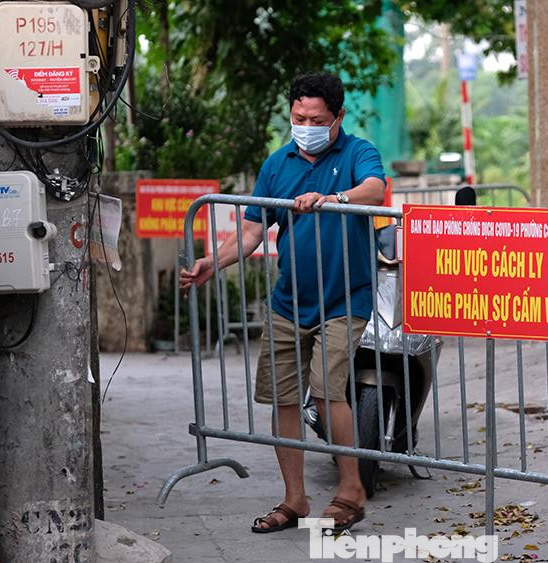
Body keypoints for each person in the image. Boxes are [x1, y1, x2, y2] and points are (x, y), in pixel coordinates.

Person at [180, 72, 386, 534]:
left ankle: (352, 489)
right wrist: (214, 261)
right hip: (289, 302)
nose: (306, 124)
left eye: (316, 118)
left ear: (338, 117)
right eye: (299, 116)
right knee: (282, 397)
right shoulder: (277, 164)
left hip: (345, 298)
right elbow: (253, 231)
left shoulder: (356, 153)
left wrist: (333, 197)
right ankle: (295, 500)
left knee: (327, 388)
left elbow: (376, 189)